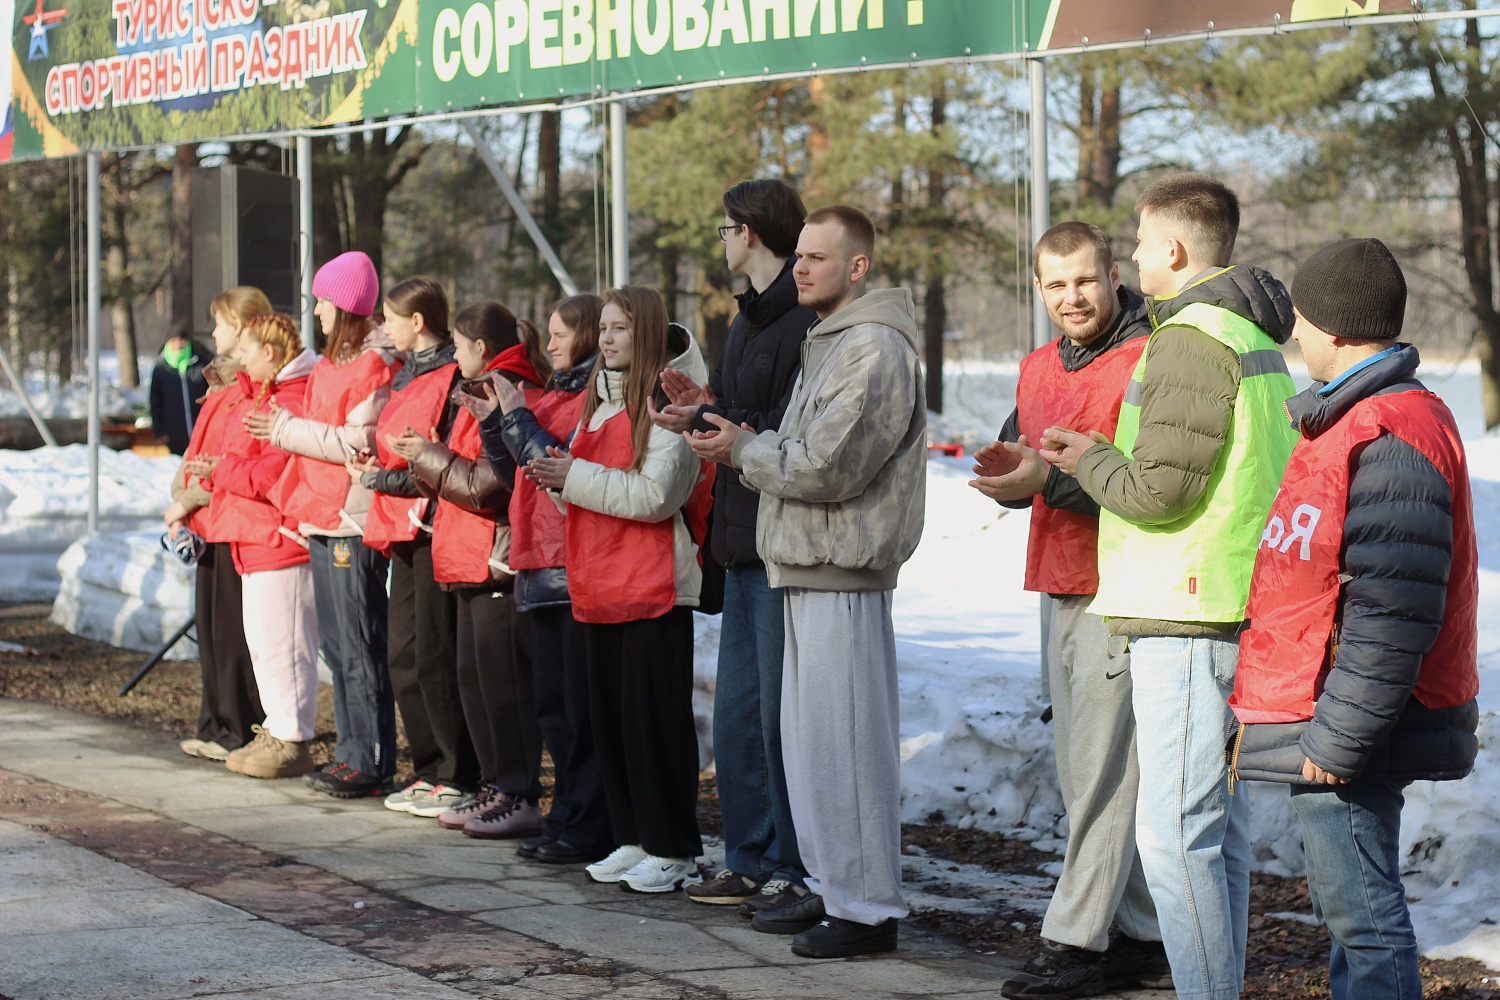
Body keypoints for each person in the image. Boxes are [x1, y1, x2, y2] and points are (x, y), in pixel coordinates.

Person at [1038, 174, 1297, 1000]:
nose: (1136, 256)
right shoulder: (1246, 332)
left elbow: (1159, 492)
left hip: (1187, 608)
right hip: (1225, 600)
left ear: (1175, 250)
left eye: (1143, 242)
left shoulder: (1189, 336)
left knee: (1175, 835)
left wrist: (1090, 457)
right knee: (1216, 833)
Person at [1230, 239, 1479, 1000]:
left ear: (1333, 328)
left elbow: (1393, 610)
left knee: (1364, 919)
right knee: (1350, 919)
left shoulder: (1389, 430)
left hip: (1350, 718)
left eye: (1302, 320)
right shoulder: (1360, 415)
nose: (1295, 335)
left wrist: (1339, 736)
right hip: (1339, 708)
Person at [687, 205, 926, 959]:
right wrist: (735, 435)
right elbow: (799, 448)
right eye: (799, 256)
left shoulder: (874, 347)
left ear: (858, 266)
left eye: (818, 258)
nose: (801, 268)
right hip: (808, 565)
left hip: (842, 572)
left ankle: (867, 910)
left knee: (847, 746)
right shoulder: (833, 340)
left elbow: (827, 466)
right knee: (816, 747)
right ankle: (837, 890)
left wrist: (741, 449)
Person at [970, 221, 1167, 998]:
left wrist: (1045, 481)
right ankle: (1146, 934)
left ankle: (1074, 941)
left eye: (1084, 279)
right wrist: (1007, 476)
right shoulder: (1035, 366)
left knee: (1101, 774)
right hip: (1057, 581)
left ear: (1114, 274)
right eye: (1055, 284)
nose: (1071, 297)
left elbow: (1153, 482)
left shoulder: (1151, 355)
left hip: (1123, 585)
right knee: (1086, 770)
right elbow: (1022, 465)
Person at [649, 178, 815, 911]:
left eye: (725, 229)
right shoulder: (745, 321)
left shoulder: (803, 322)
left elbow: (792, 429)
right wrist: (701, 411)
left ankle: (790, 863)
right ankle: (746, 857)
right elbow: (744, 418)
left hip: (780, 539)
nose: (721, 241)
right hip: (740, 537)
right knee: (739, 715)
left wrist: (723, 424)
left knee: (778, 717)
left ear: (748, 232)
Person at [525, 287, 714, 893]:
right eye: (603, 328)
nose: (606, 339)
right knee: (612, 724)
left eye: (619, 329)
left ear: (647, 333)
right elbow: (595, 492)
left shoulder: (670, 402)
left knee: (653, 724)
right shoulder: (598, 400)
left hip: (653, 585)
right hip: (599, 581)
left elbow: (657, 496)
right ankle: (633, 837)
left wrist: (573, 476)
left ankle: (673, 848)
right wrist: (558, 481)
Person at [251, 251, 400, 798]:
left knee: (358, 646)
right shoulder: (333, 363)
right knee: (337, 650)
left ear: (345, 306)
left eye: (322, 301)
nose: (315, 311)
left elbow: (358, 442)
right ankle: (350, 754)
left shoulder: (375, 364)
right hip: (321, 515)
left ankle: (372, 760)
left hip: (349, 520)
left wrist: (284, 429)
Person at [475, 294, 615, 866]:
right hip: (537, 561)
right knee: (552, 707)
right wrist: (494, 424)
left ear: (588, 335)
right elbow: (519, 478)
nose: (549, 344)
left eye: (560, 335)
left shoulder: (591, 396)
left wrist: (515, 418)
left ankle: (588, 824)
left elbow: (558, 467)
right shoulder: (554, 393)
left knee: (579, 711)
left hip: (571, 565)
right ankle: (567, 818)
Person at [403, 302, 547, 839]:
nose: (454, 357)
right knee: (476, 684)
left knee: (506, 689)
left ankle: (518, 792)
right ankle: (495, 784)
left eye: (459, 348)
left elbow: (489, 484)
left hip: (495, 559)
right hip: (465, 554)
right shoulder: (478, 388)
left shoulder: (510, 389)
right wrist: (424, 459)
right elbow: (458, 472)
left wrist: (428, 455)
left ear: (481, 348)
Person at [349, 277, 476, 820]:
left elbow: (442, 461)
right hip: (400, 528)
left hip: (432, 528)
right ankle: (429, 768)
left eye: (391, 317)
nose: (383, 327)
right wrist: (376, 470)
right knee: (402, 654)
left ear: (418, 321)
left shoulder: (453, 377)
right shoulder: (406, 372)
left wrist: (380, 479)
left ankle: (456, 773)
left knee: (434, 657)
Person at [189, 313, 319, 780]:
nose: (240, 359)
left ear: (270, 352)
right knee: (264, 643)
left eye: (247, 350)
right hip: (253, 536)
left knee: (286, 643)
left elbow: (270, 474)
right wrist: (217, 469)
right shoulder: (261, 395)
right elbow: (245, 459)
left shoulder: (290, 399)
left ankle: (293, 737)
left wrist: (220, 471)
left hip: (279, 537)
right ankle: (277, 729)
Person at [166, 286, 271, 762]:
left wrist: (187, 501)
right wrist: (180, 500)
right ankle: (216, 722)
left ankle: (237, 725)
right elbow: (196, 452)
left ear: (244, 327)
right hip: (207, 522)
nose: (212, 332)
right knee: (210, 630)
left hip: (230, 520)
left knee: (231, 632)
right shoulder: (219, 386)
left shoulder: (246, 390)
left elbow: (228, 460)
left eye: (221, 323)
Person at [150, 333, 210, 454]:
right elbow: (155, 401)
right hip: (174, 434)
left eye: (181, 340)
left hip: (202, 432)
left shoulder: (201, 363)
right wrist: (159, 430)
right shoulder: (160, 369)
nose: (178, 344)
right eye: (173, 340)